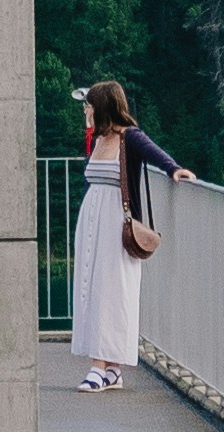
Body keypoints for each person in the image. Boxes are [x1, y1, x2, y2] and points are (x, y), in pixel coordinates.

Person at [72, 80, 186, 391]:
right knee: (91, 287)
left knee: (111, 291)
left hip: (116, 224)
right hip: (92, 223)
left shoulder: (128, 137)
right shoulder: (96, 139)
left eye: (91, 106)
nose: (87, 110)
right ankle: (110, 368)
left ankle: (100, 366)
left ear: (104, 108)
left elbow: (153, 152)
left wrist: (173, 169)